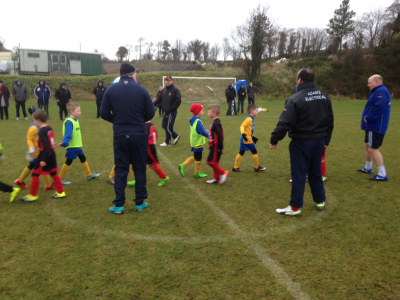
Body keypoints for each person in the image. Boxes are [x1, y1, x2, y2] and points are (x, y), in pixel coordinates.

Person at [270, 68, 334, 216]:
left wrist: (274, 138)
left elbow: (284, 122)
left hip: (301, 143)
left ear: (300, 80)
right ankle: (320, 200)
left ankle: (294, 207)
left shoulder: (295, 99)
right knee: (315, 172)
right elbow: (330, 122)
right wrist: (326, 141)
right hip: (319, 142)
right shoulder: (325, 97)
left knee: (299, 174)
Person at [101, 63, 154, 214]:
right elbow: (150, 113)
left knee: (121, 168)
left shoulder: (111, 90)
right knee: (139, 168)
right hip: (138, 133)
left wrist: (118, 120)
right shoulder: (141, 89)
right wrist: (136, 120)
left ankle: (119, 204)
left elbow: (104, 113)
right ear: (132, 75)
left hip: (120, 134)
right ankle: (139, 202)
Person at [20, 110, 66, 201]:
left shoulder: (41, 131)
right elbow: (48, 143)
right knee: (53, 173)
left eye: (33, 121)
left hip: (45, 155)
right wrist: (39, 148)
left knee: (35, 173)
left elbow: (46, 146)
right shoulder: (49, 128)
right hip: (51, 154)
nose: (33, 123)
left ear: (38, 120)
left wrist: (43, 160)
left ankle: (33, 195)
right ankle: (61, 192)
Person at [357, 74, 391, 181]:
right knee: (367, 145)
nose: (368, 85)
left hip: (375, 126)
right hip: (372, 125)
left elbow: (379, 107)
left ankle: (382, 173)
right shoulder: (377, 91)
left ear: (376, 82)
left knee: (373, 148)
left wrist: (369, 118)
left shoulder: (381, 91)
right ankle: (368, 167)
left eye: (370, 82)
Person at [57, 102, 100, 185]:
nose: (80, 112)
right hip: (72, 147)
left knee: (83, 159)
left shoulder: (75, 120)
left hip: (77, 146)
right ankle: (59, 179)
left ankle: (89, 175)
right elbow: (67, 134)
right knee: (68, 162)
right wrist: (64, 143)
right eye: (78, 111)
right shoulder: (69, 122)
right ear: (72, 112)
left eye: (80, 110)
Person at [14, 106, 56, 191]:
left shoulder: (37, 125)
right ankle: (47, 185)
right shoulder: (34, 127)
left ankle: (20, 180)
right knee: (42, 166)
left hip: (38, 150)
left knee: (32, 165)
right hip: (36, 152)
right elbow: (30, 139)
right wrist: (32, 149)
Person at [127, 120, 170, 187]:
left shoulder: (144, 126)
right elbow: (157, 136)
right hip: (148, 147)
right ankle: (139, 180)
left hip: (148, 148)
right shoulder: (151, 125)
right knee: (140, 164)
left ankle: (164, 177)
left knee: (152, 165)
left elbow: (143, 137)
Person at [232, 104, 266, 172]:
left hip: (244, 138)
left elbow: (248, 130)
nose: (257, 112)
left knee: (241, 152)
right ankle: (257, 167)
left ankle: (235, 168)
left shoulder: (250, 118)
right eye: (256, 111)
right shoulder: (249, 119)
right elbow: (242, 126)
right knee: (254, 151)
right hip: (246, 139)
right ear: (252, 112)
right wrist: (243, 134)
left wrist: (252, 137)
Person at [179, 104, 209, 178]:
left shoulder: (194, 119)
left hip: (194, 141)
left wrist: (205, 130)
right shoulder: (198, 121)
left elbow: (198, 130)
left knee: (196, 156)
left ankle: (183, 166)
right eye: (202, 110)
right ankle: (196, 173)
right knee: (198, 157)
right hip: (198, 142)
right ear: (198, 112)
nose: (203, 112)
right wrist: (210, 136)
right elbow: (202, 132)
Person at [153, 76, 181, 146]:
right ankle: (175, 136)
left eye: (169, 80)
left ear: (172, 81)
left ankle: (167, 142)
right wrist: (152, 103)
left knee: (168, 127)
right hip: (166, 111)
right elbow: (159, 99)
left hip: (171, 112)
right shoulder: (164, 90)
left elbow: (178, 100)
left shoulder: (175, 90)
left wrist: (172, 109)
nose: (167, 82)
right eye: (166, 80)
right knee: (164, 125)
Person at [206, 105, 229, 184]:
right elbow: (216, 133)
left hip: (216, 146)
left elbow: (220, 136)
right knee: (215, 163)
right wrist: (210, 132)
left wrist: (219, 147)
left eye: (209, 112)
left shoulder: (216, 123)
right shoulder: (215, 122)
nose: (207, 113)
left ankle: (223, 172)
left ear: (214, 113)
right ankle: (216, 178)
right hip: (213, 145)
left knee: (210, 162)